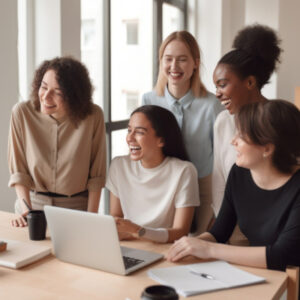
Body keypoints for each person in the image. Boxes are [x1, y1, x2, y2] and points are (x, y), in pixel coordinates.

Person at [167, 100, 300, 275]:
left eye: (241, 136)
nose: (232, 141)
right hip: (260, 274)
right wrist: (189, 246)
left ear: (267, 148)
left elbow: (281, 256)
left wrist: (208, 249)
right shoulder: (240, 173)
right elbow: (220, 231)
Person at [8, 56, 106, 227]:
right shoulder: (22, 113)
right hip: (32, 207)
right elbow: (19, 171)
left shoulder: (93, 116)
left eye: (58, 92)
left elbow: (96, 177)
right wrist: (26, 211)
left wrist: (92, 220)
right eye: (43, 87)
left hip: (76, 209)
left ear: (74, 96)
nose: (46, 97)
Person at [142, 31, 223, 235]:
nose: (174, 67)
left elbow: (223, 159)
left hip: (202, 191)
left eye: (182, 60)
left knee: (194, 249)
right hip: (161, 189)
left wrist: (220, 208)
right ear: (161, 62)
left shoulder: (212, 105)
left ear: (195, 63)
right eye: (168, 59)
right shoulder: (148, 101)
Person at [212, 24, 282, 244]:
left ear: (250, 82)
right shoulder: (223, 122)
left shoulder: (280, 120)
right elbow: (219, 181)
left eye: (223, 84)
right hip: (231, 234)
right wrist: (219, 232)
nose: (217, 93)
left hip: (276, 237)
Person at [106, 105, 200, 243]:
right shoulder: (118, 166)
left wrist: (137, 232)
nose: (130, 138)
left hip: (164, 248)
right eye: (129, 130)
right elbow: (115, 218)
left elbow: (181, 232)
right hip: (128, 244)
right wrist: (129, 233)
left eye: (139, 132)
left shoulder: (184, 171)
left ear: (161, 140)